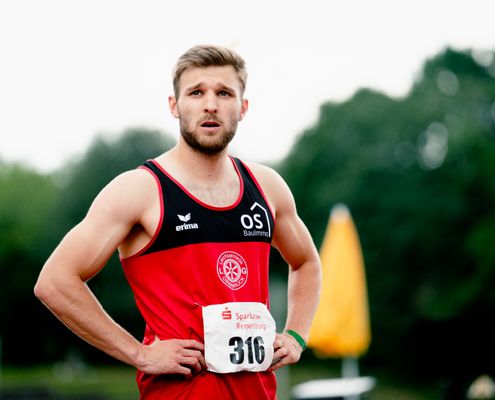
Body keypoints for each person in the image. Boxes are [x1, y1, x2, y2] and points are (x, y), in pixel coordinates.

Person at [34, 44, 322, 399]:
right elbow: (55, 281)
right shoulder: (140, 190)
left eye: (224, 93)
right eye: (196, 92)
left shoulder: (267, 188)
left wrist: (295, 335)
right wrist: (138, 353)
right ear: (175, 105)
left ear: (243, 108)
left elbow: (307, 261)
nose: (211, 104)